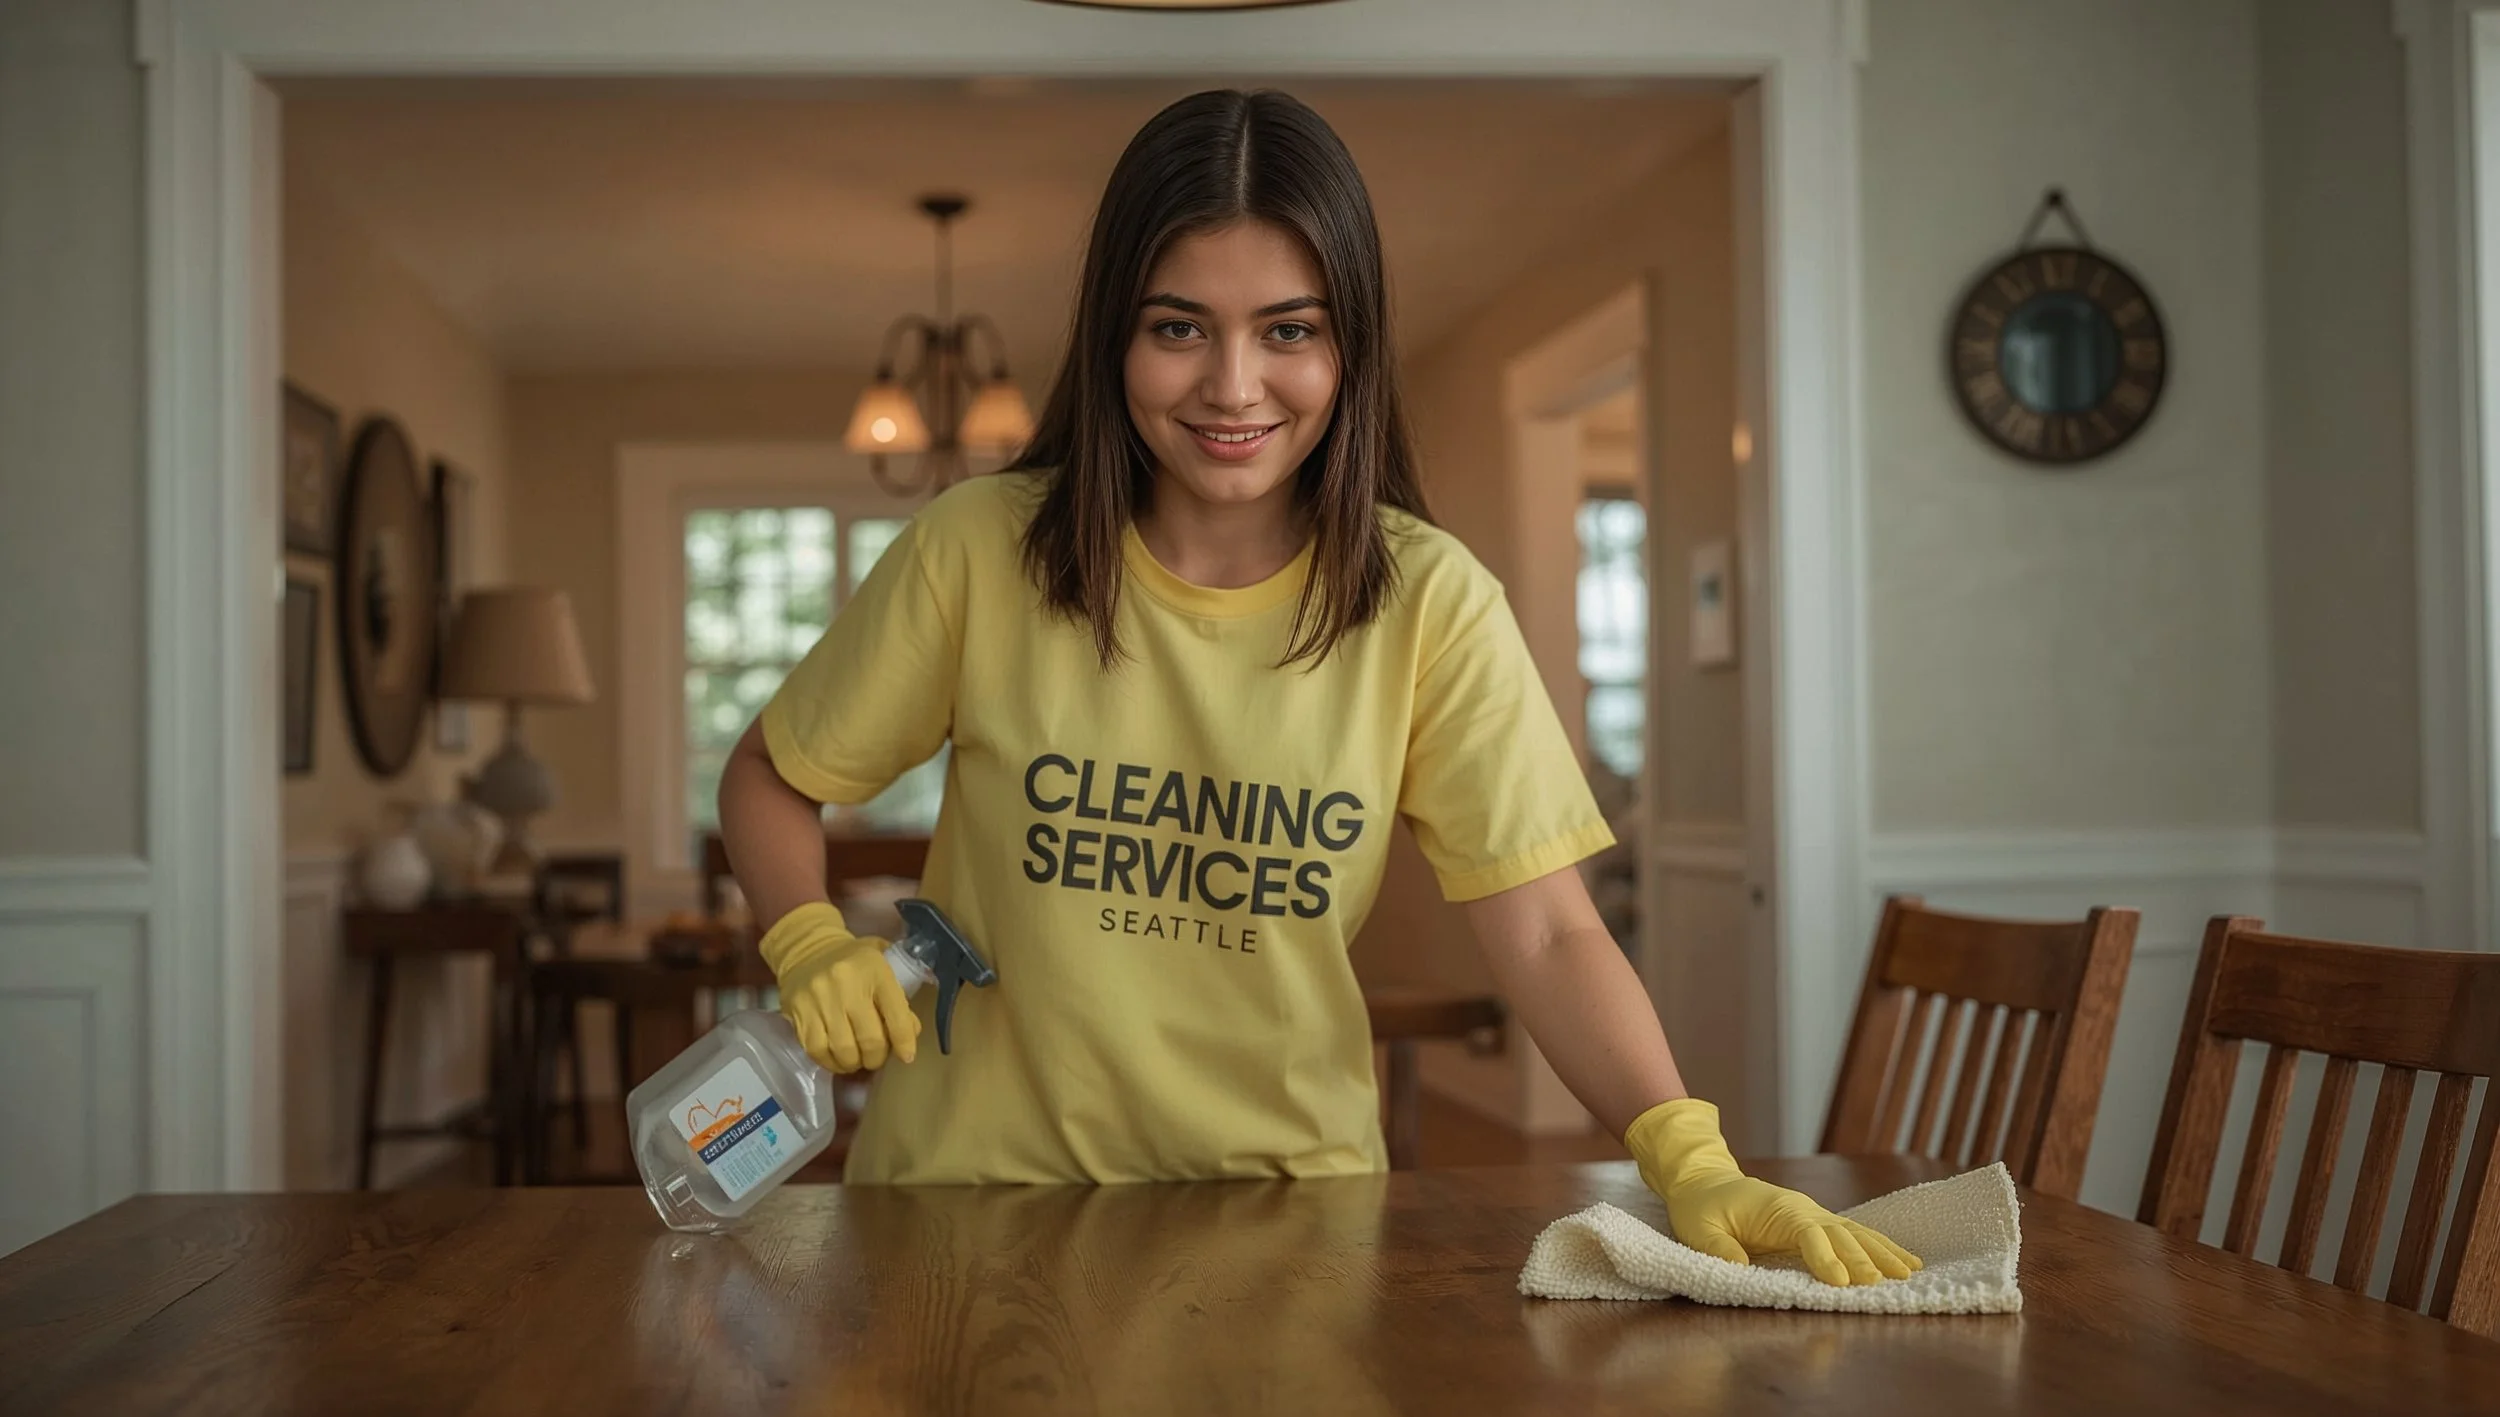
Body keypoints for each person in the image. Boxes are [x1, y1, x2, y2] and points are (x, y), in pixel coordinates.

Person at [715, 88, 1918, 1287]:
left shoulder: (1430, 603)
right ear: (1111, 338)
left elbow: (1549, 929)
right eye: (1178, 328)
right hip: (967, 1215)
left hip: (1289, 1232)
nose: (1233, 387)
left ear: (1351, 345)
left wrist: (1685, 1150)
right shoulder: (979, 549)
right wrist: (807, 935)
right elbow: (771, 772)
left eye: (1289, 331)